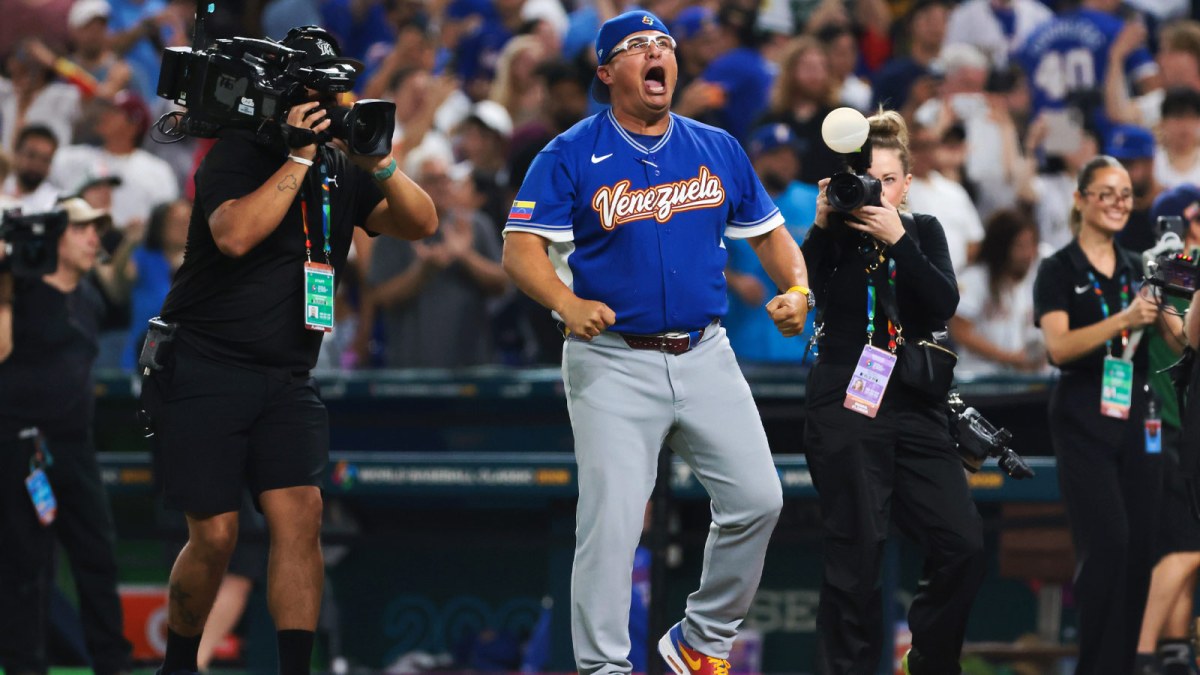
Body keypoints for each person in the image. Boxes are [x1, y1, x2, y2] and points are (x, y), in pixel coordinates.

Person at [501, 10, 809, 675]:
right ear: (607, 71)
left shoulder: (716, 146)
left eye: (663, 45)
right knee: (612, 525)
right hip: (614, 358)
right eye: (637, 46)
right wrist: (565, 300)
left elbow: (769, 232)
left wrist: (798, 287)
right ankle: (605, 667)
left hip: (706, 351)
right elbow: (520, 248)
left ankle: (701, 639)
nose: (655, 54)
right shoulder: (570, 151)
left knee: (760, 497)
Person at [141, 26, 437, 675]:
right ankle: (180, 663)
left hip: (287, 372)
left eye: (336, 91)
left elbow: (421, 222)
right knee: (215, 534)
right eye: (317, 91)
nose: (328, 103)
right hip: (207, 361)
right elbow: (234, 235)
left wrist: (379, 159)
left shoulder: (340, 167)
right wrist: (297, 158)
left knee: (301, 513)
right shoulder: (241, 150)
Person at [800, 110, 986, 675]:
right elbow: (804, 288)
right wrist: (820, 224)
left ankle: (927, 662)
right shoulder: (833, 234)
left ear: (905, 183)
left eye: (886, 181)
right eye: (864, 179)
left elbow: (941, 304)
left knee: (963, 544)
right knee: (856, 552)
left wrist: (899, 239)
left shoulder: (922, 229)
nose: (873, 192)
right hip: (845, 394)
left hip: (914, 399)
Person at [1032, 155, 1166, 674]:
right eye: (1106, 192)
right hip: (1083, 412)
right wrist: (1125, 318)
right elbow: (1059, 348)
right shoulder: (1058, 268)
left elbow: (1172, 338)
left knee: (1142, 547)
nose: (1117, 203)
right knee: (1107, 544)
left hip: (1138, 409)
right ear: (1081, 198)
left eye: (1126, 194)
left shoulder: (1139, 265)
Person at [0, 197, 133, 675]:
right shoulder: (22, 286)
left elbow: (121, 298)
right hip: (22, 442)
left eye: (96, 228)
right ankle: (24, 667)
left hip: (76, 444)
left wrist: (125, 247)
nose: (93, 237)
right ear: (55, 235)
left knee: (98, 556)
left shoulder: (90, 293)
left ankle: (113, 665)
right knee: (26, 566)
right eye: (81, 229)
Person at [1134, 184, 1200, 675]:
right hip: (1170, 427)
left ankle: (1174, 649)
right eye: (1190, 221)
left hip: (1181, 428)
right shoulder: (1168, 266)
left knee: (1187, 548)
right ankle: (1141, 650)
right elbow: (1181, 335)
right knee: (1185, 547)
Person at [949, 208, 1047, 376]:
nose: (1027, 254)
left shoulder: (1030, 278)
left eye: (1031, 245)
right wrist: (1008, 357)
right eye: (1020, 245)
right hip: (979, 377)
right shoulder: (975, 278)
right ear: (1002, 246)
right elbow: (959, 331)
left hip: (1020, 378)